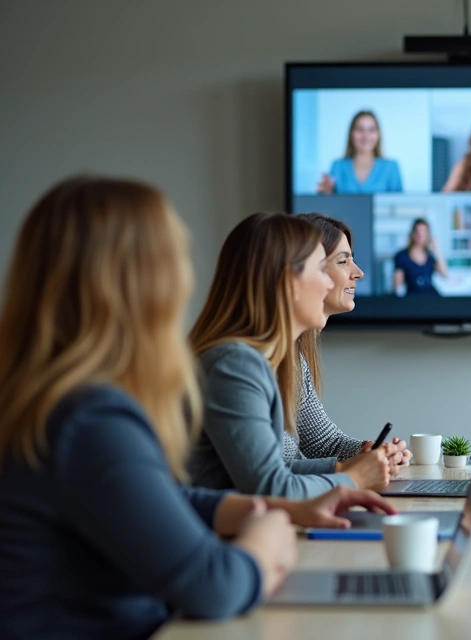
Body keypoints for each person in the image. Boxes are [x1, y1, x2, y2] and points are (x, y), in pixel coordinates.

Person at [0, 176, 395, 639]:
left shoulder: (60, 402)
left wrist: (264, 507)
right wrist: (265, 539)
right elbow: (215, 586)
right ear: (146, 281)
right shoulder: (90, 419)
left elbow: (158, 498)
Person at [188, 212, 394, 498]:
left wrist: (354, 466)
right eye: (320, 271)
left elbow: (280, 469)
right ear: (287, 283)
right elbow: (271, 485)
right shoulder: (234, 366)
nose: (327, 285)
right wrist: (353, 478)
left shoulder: (268, 360)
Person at [293, 213, 412, 469]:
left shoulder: (292, 359)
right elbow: (270, 476)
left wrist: (372, 453)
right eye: (343, 261)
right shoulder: (244, 362)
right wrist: (348, 471)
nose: (358, 273)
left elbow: (325, 444)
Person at [316, 110, 403, 194]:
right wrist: (325, 193)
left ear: (378, 134)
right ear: (351, 133)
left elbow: (398, 202)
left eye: (371, 130)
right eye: (360, 129)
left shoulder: (391, 167)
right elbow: (330, 200)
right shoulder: (337, 166)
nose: (366, 136)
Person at [393, 218, 448, 297]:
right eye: (418, 232)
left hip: (431, 297)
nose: (420, 235)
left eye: (424, 232)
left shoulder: (430, 256)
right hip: (412, 298)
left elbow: (444, 274)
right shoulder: (402, 256)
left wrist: (437, 250)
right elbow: (398, 285)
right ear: (412, 234)